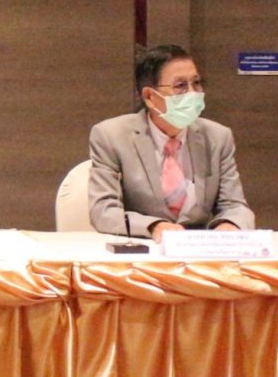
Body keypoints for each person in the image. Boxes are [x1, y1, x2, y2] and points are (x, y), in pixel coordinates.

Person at [88, 44, 254, 237]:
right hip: (144, 245)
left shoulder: (217, 137)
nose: (192, 93)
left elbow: (235, 206)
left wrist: (230, 224)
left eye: (196, 83)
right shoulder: (111, 136)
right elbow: (103, 210)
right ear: (150, 96)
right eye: (180, 86)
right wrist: (153, 226)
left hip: (198, 248)